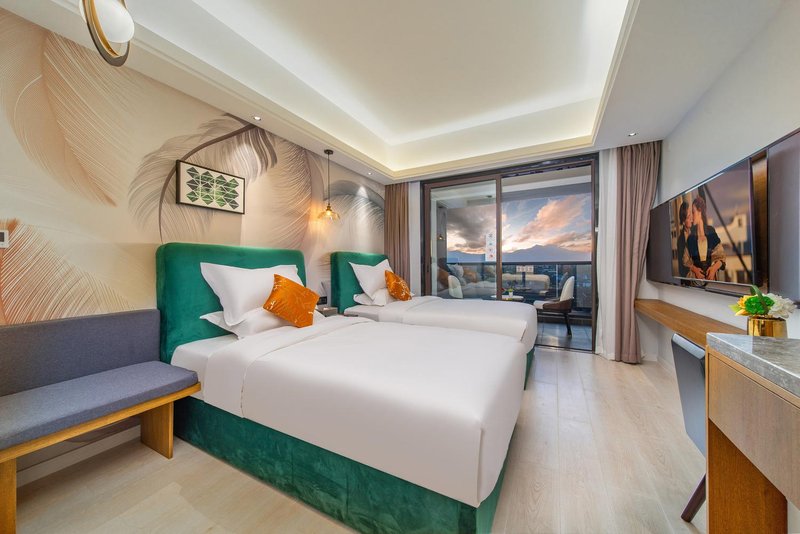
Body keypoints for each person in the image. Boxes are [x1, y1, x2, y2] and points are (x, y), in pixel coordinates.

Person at [683, 196, 726, 280]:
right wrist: (695, 270)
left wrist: (713, 268)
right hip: (696, 281)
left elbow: (722, 256)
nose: (691, 216)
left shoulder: (711, 232)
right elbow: (685, 260)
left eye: (693, 212)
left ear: (700, 211)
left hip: (711, 279)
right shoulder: (691, 238)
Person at [675, 201, 693, 278]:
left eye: (691, 214)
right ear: (683, 222)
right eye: (688, 217)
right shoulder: (680, 241)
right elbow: (681, 269)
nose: (691, 218)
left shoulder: (697, 231)